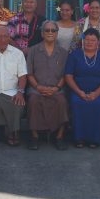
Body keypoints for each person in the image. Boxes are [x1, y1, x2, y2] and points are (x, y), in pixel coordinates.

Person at [65, 28, 100, 148]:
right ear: (82, 41)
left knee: (97, 104)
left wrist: (96, 93)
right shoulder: (74, 55)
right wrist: (79, 92)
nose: (89, 42)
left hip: (98, 92)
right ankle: (78, 138)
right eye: (87, 39)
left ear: (98, 42)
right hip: (77, 90)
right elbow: (68, 76)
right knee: (77, 103)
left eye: (93, 40)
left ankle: (94, 139)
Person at [26, 20, 69, 150]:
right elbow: (29, 74)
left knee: (61, 101)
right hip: (36, 88)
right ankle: (34, 136)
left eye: (53, 30)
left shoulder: (64, 53)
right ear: (42, 33)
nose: (50, 33)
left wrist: (56, 88)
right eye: (47, 30)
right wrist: (38, 87)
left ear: (57, 33)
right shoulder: (33, 51)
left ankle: (59, 136)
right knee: (33, 101)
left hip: (57, 88)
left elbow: (65, 76)